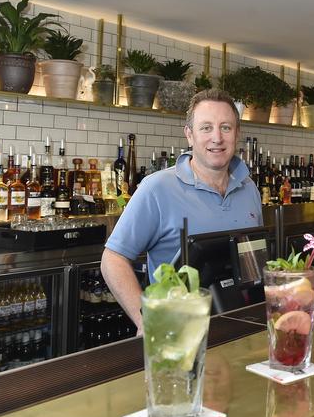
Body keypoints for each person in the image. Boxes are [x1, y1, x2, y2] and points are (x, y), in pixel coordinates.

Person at [101, 89, 262, 333]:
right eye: (206, 128)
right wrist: (147, 321)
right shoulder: (157, 188)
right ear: (189, 135)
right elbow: (113, 260)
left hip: (242, 328)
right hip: (178, 335)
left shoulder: (249, 188)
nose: (217, 137)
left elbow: (250, 264)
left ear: (237, 134)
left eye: (226, 127)